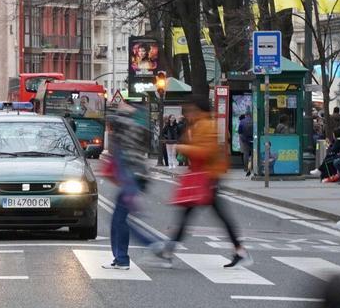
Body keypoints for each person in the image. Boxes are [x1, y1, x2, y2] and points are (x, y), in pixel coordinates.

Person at [152, 97, 251, 268]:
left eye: (192, 110)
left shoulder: (206, 125)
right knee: (194, 214)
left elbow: (206, 151)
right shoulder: (201, 125)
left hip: (207, 177)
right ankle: (239, 250)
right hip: (204, 176)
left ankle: (169, 251)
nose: (189, 113)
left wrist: (184, 148)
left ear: (199, 110)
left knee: (192, 214)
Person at [103, 102, 162, 270]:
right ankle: (121, 257)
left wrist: (124, 111)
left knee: (121, 220)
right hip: (131, 176)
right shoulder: (134, 127)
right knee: (119, 219)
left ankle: (150, 246)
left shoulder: (131, 126)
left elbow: (114, 120)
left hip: (131, 177)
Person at [238, 112, 254, 176]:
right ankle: (252, 167)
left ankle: (246, 168)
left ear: (246, 115)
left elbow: (239, 131)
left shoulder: (242, 121)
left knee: (246, 154)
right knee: (253, 154)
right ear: (251, 115)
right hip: (253, 139)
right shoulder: (254, 121)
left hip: (245, 140)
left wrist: (243, 139)